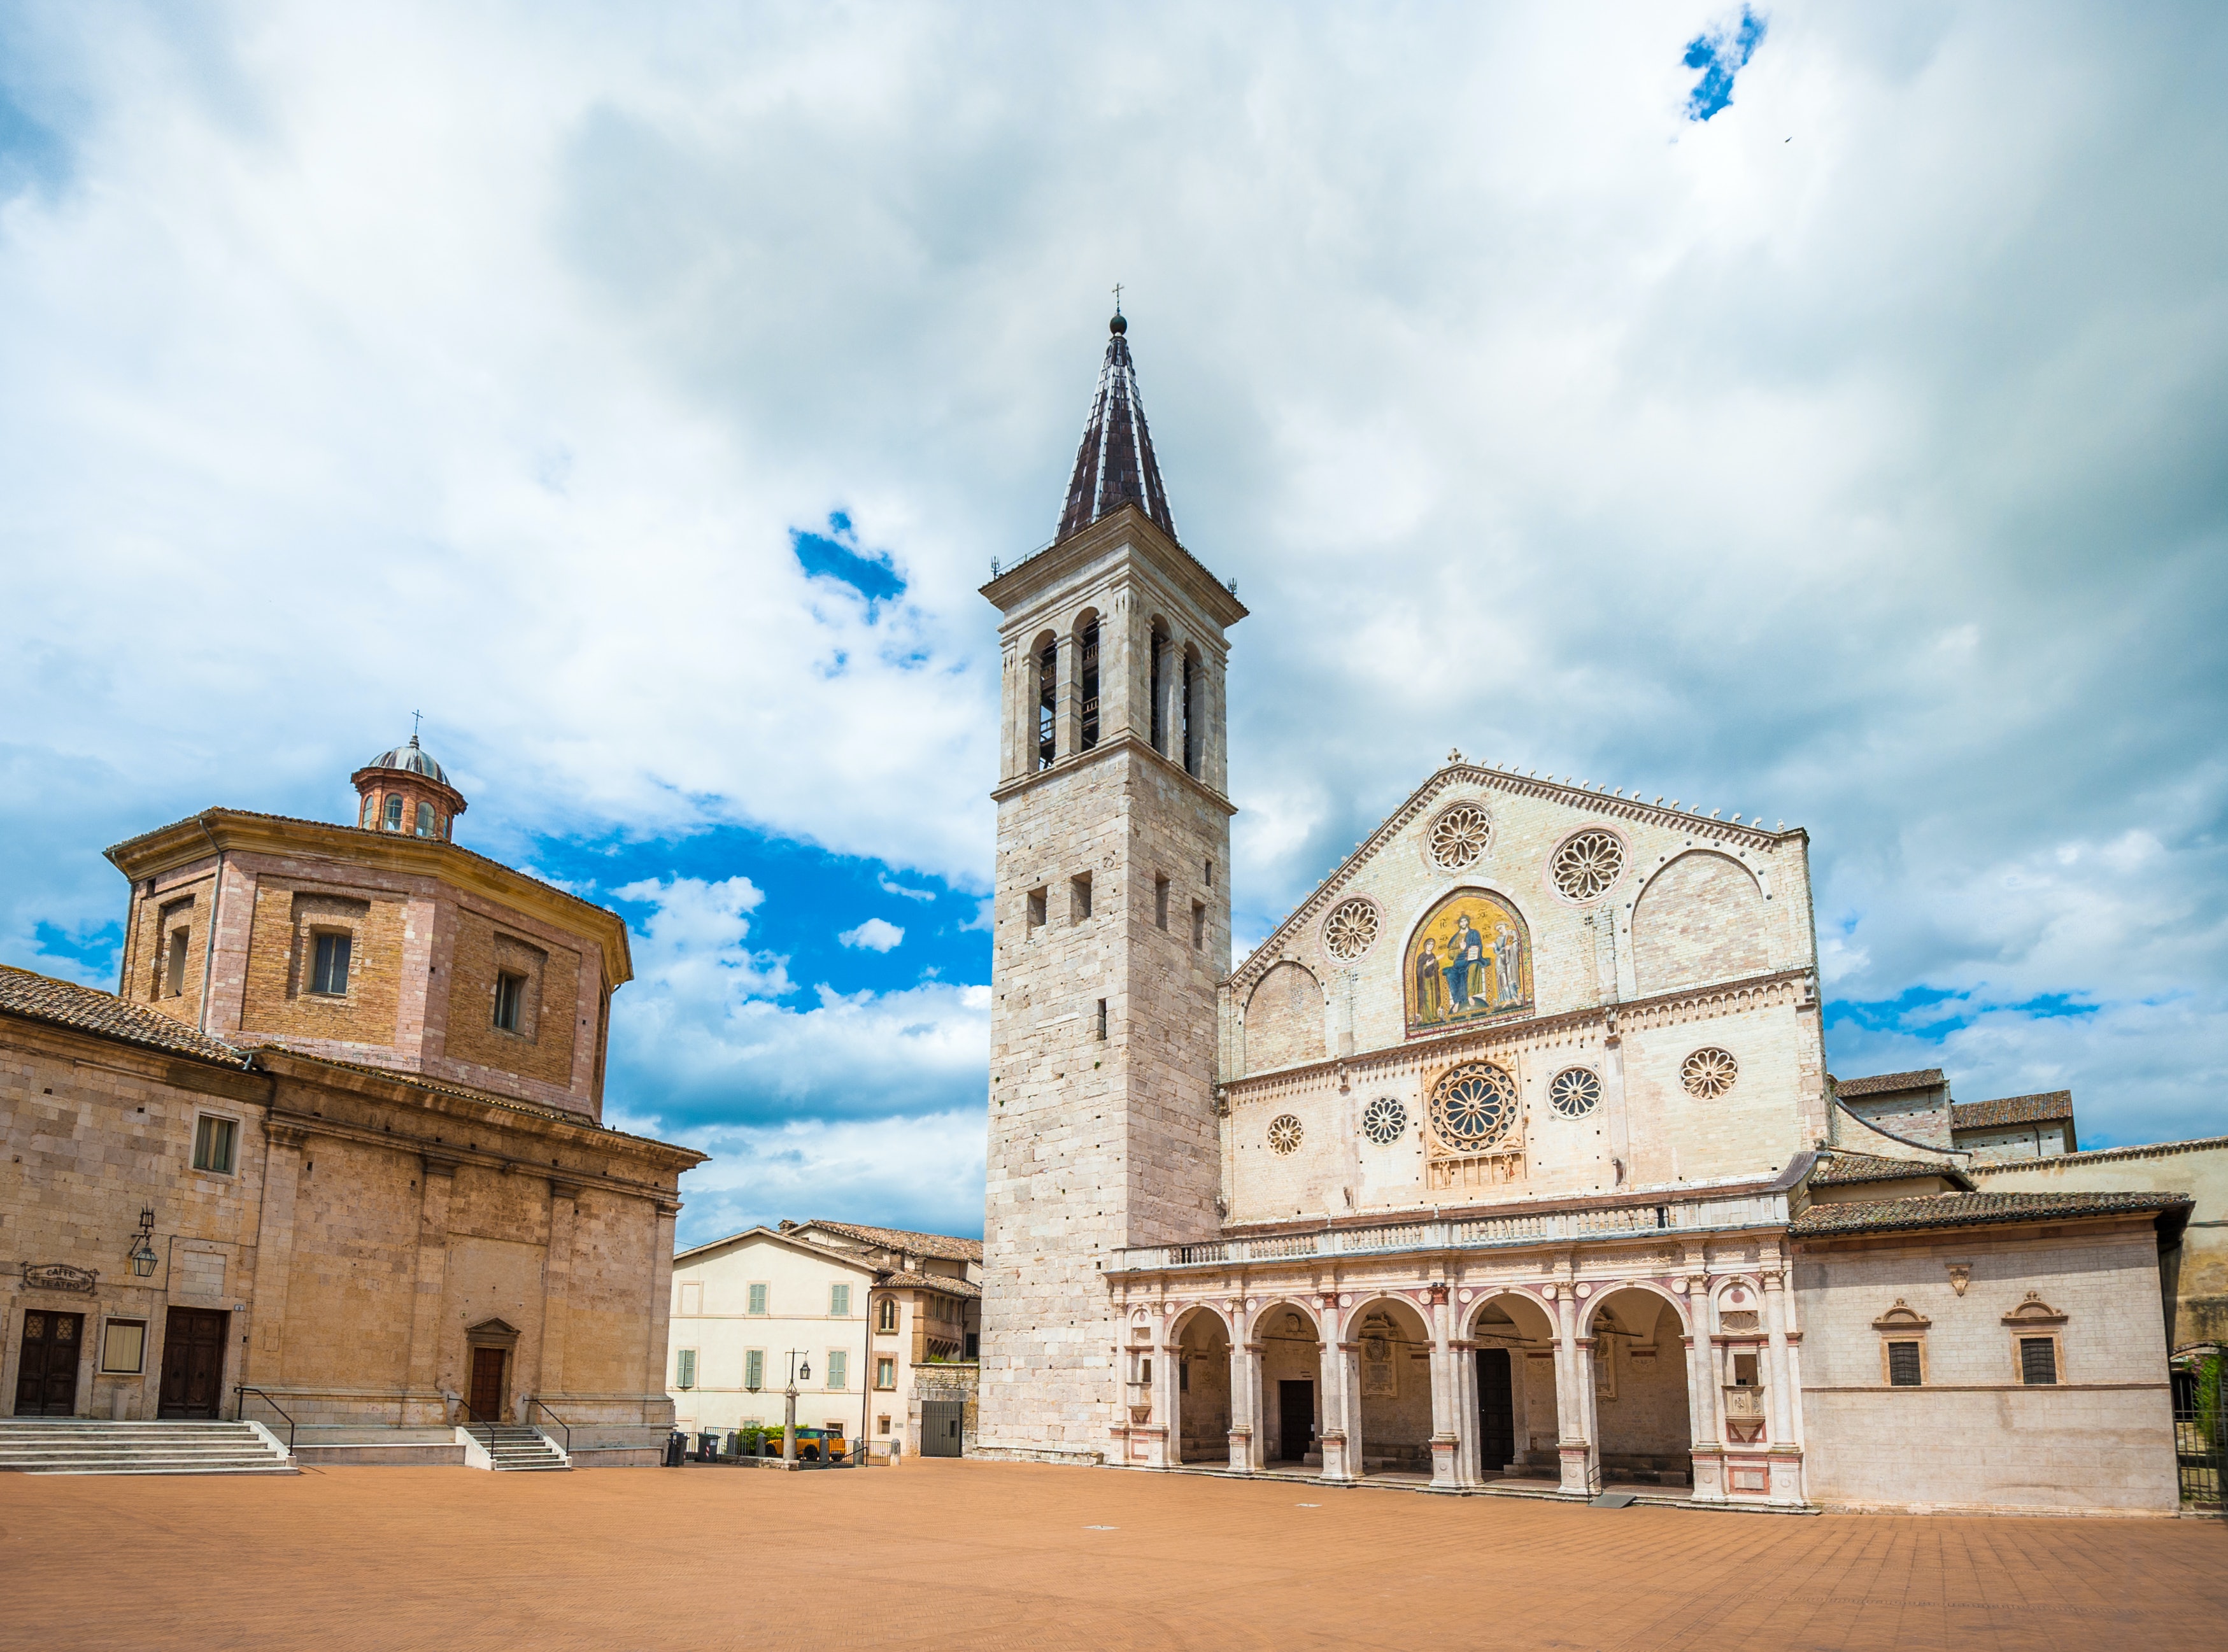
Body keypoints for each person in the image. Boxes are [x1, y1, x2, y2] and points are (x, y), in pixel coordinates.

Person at [1414, 937, 1443, 1021]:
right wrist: (1426, 965)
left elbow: (1436, 968)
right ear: (1425, 945)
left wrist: (1436, 961)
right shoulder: (1421, 957)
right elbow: (1418, 970)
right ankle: (1427, 1018)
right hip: (1425, 981)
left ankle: (1435, 1016)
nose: (1430, 946)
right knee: (1427, 998)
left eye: (1432, 945)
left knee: (1433, 997)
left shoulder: (1432, 955)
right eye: (1429, 944)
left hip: (1433, 979)